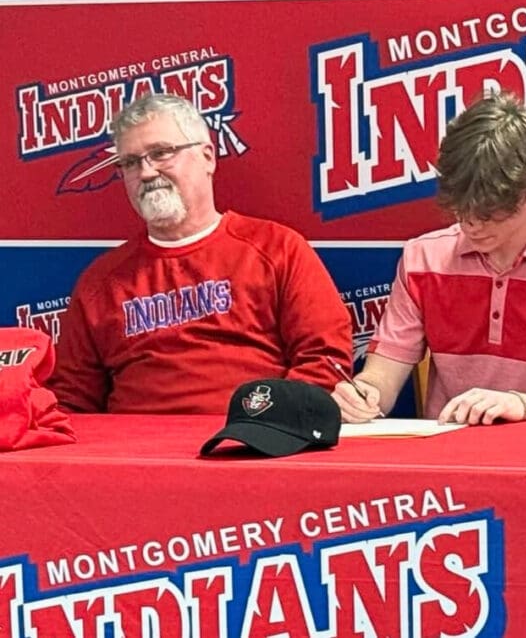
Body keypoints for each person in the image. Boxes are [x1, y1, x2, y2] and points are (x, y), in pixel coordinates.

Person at [332, 92, 526, 425]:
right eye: (461, 209)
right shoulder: (423, 259)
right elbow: (381, 379)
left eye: (490, 212)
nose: (471, 225)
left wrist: (523, 406)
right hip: (447, 450)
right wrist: (363, 394)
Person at [50, 93, 353, 414]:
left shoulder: (278, 248)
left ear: (208, 157)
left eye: (161, 153)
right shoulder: (100, 282)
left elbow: (325, 359)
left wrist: (268, 422)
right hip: (136, 443)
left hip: (256, 433)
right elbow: (71, 399)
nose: (146, 173)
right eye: (130, 162)